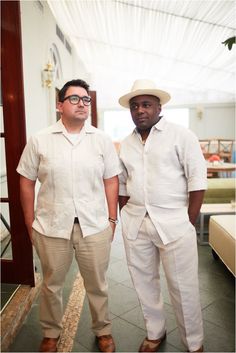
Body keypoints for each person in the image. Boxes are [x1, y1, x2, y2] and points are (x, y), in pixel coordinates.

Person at [17, 79, 120, 353]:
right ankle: (51, 333)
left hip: (94, 225)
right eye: (75, 99)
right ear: (59, 105)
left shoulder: (101, 140)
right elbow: (26, 180)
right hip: (51, 227)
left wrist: (112, 220)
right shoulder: (40, 140)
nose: (83, 104)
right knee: (51, 285)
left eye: (86, 99)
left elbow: (111, 179)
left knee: (98, 284)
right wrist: (29, 222)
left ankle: (103, 330)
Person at [118, 79, 207, 352]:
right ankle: (155, 332)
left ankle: (194, 343)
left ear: (159, 107)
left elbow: (197, 179)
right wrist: (125, 213)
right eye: (135, 106)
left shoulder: (181, 135)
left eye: (146, 104)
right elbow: (122, 182)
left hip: (174, 223)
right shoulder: (127, 143)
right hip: (136, 223)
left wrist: (188, 220)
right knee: (144, 283)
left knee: (184, 288)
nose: (140, 110)